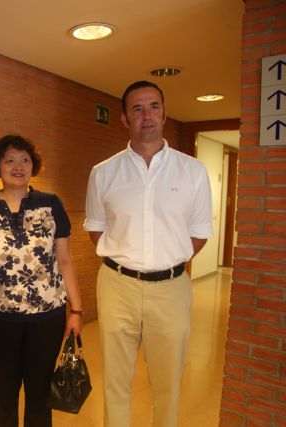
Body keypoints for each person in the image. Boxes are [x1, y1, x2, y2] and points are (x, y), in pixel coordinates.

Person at [84, 81, 213, 427]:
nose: (147, 115)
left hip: (171, 288)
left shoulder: (192, 171)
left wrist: (168, 258)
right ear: (125, 119)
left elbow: (199, 231)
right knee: (116, 381)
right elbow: (96, 226)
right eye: (137, 108)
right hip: (117, 285)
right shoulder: (104, 172)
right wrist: (125, 257)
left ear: (165, 113)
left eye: (154, 106)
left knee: (168, 383)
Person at [0, 134, 84, 427]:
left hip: (46, 317)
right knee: (5, 394)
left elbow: (65, 260)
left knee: (39, 395)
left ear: (33, 166)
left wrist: (76, 310)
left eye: (25, 160)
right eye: (9, 160)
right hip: (1, 318)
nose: (18, 166)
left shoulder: (51, 204)